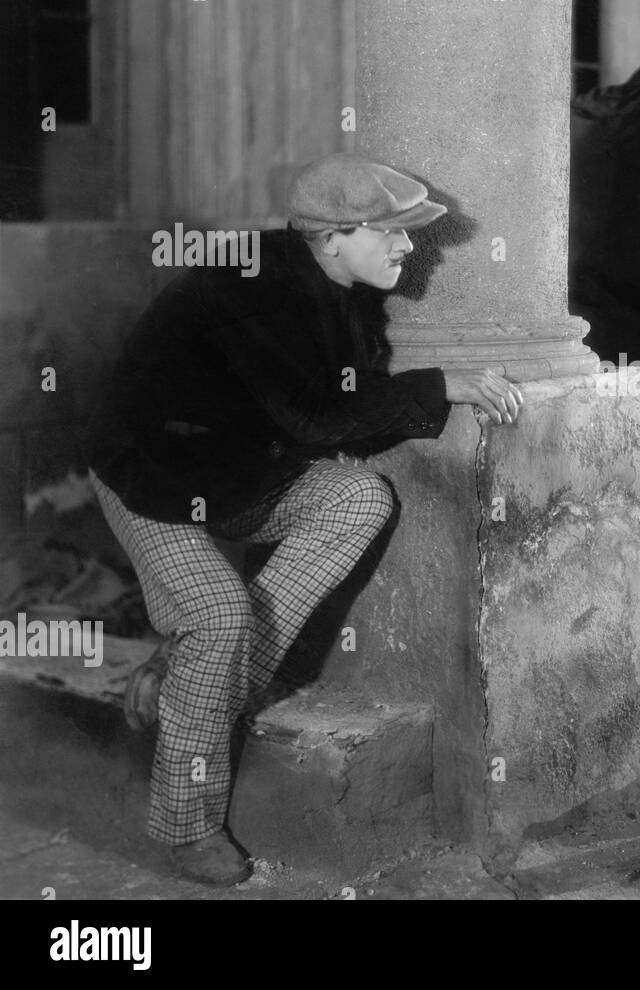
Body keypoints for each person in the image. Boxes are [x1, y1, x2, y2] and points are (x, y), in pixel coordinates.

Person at [87, 153, 523, 884]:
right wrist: (445, 384)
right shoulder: (255, 285)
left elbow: (334, 413)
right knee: (219, 616)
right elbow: (317, 415)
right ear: (333, 236)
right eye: (391, 233)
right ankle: (186, 825)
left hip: (238, 472)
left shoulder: (338, 286)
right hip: (148, 475)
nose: (408, 248)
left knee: (358, 500)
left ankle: (187, 692)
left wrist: (409, 402)